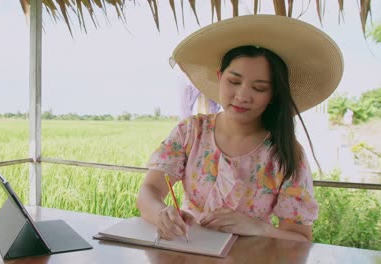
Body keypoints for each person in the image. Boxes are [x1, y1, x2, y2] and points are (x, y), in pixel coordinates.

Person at [136, 15, 343, 242]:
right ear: (219, 77)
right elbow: (150, 191)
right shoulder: (191, 132)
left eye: (259, 88)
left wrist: (256, 227)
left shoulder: (285, 152)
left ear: (273, 95)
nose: (243, 96)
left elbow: (300, 239)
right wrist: (162, 215)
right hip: (189, 250)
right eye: (234, 82)